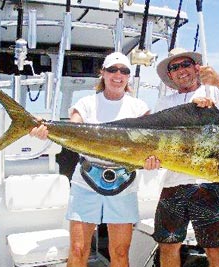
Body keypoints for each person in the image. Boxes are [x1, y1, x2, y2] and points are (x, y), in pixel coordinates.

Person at [30, 52, 150, 267]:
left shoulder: (140, 108)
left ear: (129, 77)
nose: (118, 75)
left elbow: (149, 146)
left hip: (125, 183)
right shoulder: (85, 103)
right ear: (102, 73)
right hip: (86, 181)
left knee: (121, 252)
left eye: (124, 71)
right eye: (112, 69)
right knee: (78, 249)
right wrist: (45, 130)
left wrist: (150, 162)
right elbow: (73, 130)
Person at [144, 47, 219, 267]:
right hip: (173, 183)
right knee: (168, 245)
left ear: (196, 67)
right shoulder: (163, 103)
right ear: (170, 75)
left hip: (209, 184)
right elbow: (154, 143)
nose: (181, 70)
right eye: (174, 67)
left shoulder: (215, 92)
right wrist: (150, 162)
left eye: (185, 64)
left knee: (215, 248)